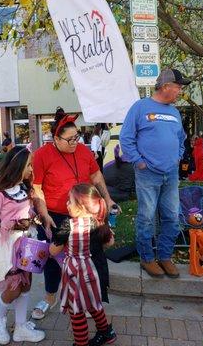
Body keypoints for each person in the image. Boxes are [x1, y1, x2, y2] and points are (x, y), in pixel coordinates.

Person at [31, 107, 117, 319]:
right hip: (55, 216)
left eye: (76, 137)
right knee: (53, 259)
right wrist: (44, 214)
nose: (74, 143)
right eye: (69, 139)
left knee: (90, 257)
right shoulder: (42, 155)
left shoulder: (84, 151)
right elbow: (37, 187)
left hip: (85, 214)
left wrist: (107, 199)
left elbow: (96, 176)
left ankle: (90, 298)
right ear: (55, 138)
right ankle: (50, 297)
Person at [120, 68, 190, 278]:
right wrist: (139, 162)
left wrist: (177, 156)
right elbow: (126, 138)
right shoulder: (140, 108)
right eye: (178, 87)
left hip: (171, 174)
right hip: (148, 173)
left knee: (172, 217)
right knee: (146, 218)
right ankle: (147, 258)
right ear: (166, 86)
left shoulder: (175, 112)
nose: (179, 91)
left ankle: (165, 256)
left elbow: (181, 139)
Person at [0, 146, 45, 344]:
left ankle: (20, 327)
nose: (31, 170)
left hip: (27, 244)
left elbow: (28, 212)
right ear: (17, 166)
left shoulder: (23, 189)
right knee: (14, 287)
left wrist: (34, 218)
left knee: (26, 284)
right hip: (8, 248)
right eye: (28, 165)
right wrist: (13, 224)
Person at [50, 183, 116, 346]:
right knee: (94, 303)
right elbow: (110, 243)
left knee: (76, 309)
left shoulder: (68, 225)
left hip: (76, 275)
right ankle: (107, 333)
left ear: (81, 207)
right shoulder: (99, 223)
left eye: (70, 202)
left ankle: (81, 343)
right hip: (96, 272)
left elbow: (53, 251)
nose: (67, 204)